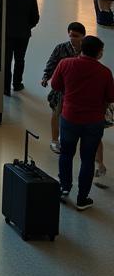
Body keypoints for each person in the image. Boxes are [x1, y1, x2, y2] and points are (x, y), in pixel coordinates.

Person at [49, 35, 114, 210]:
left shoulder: (66, 64)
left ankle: (64, 188)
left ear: (81, 49)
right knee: (87, 159)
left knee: (66, 154)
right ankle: (82, 199)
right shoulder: (105, 72)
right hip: (94, 121)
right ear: (99, 53)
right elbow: (110, 97)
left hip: (69, 118)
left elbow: (55, 85)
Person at [42, 22, 88, 154]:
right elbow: (52, 62)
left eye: (76, 36)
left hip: (77, 89)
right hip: (61, 87)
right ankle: (54, 140)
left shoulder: (86, 51)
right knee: (56, 112)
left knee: (71, 115)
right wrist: (46, 76)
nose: (73, 38)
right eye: (71, 35)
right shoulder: (61, 48)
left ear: (83, 37)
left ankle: (67, 137)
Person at [5, 0, 39, 96]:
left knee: (6, 60)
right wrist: (27, 27)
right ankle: (17, 83)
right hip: (23, 34)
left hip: (7, 33)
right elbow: (35, 17)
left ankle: (5, 87)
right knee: (20, 59)